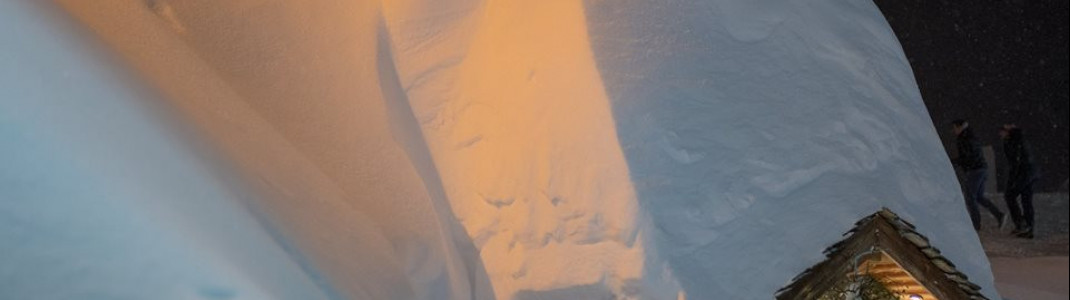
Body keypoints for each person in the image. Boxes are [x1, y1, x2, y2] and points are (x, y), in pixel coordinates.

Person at [951, 119, 1007, 231]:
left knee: (970, 197)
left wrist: (954, 162)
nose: (954, 130)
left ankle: (976, 224)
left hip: (975, 170)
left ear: (960, 127)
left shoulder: (964, 138)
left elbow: (967, 156)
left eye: (954, 128)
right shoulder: (970, 135)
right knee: (979, 197)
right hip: (981, 168)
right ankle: (999, 215)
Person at [1000, 125, 1038, 238]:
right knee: (1026, 200)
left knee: (1010, 196)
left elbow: (1015, 163)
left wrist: (1012, 180)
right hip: (1029, 173)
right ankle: (1027, 227)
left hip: (1024, 174)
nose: (1000, 134)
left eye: (1002, 131)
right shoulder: (1019, 139)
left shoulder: (1014, 142)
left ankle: (1022, 224)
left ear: (1008, 132)